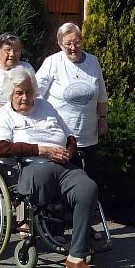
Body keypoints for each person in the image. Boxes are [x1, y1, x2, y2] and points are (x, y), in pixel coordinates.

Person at [0, 67, 98, 268]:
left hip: (64, 166)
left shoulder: (46, 106)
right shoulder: (4, 114)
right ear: (10, 95)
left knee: (88, 188)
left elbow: (70, 137)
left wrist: (68, 152)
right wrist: (41, 150)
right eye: (19, 93)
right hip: (32, 166)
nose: (24, 97)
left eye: (28, 91)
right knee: (43, 178)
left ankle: (75, 256)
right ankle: (35, 226)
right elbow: (0, 148)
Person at [36, 22, 108, 175]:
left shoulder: (93, 62)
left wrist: (103, 118)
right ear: (60, 45)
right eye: (68, 44)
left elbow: (101, 93)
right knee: (66, 181)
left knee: (90, 179)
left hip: (88, 135)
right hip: (61, 137)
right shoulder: (53, 62)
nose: (73, 47)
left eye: (76, 42)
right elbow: (35, 93)